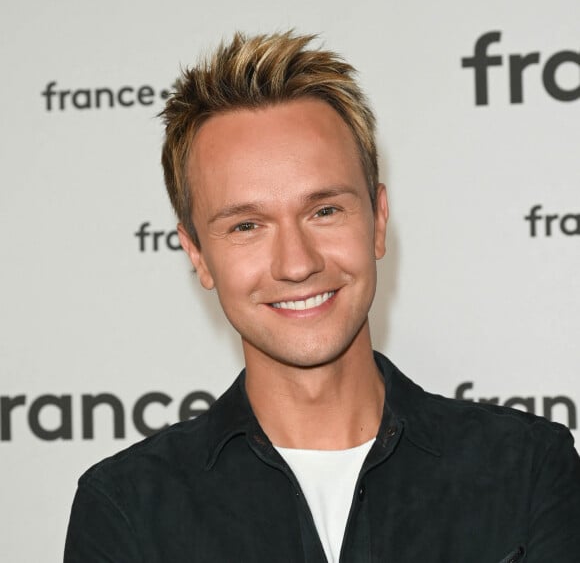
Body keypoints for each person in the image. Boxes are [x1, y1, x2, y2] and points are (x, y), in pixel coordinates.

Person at [64, 31, 580, 562]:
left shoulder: (527, 470)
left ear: (379, 220)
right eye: (246, 226)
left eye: (325, 211)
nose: (298, 263)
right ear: (196, 254)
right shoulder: (127, 508)